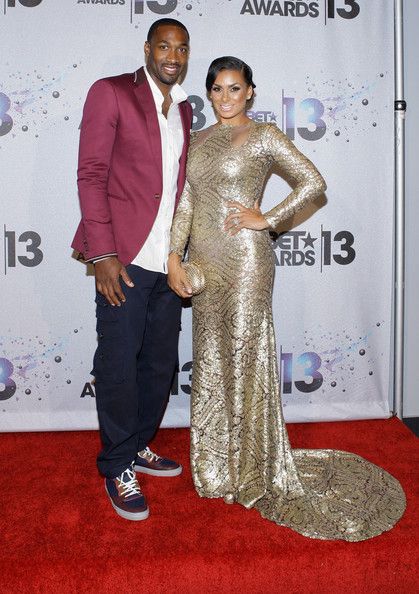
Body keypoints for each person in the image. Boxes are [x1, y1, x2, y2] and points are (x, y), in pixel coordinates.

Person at [168, 56, 406, 541]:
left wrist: (268, 219)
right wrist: (175, 255)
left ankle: (252, 467)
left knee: (244, 355)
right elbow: (187, 201)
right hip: (204, 262)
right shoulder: (197, 141)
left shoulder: (263, 136)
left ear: (250, 92)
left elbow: (313, 183)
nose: (226, 97)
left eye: (235, 88)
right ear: (208, 93)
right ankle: (217, 467)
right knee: (211, 359)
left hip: (246, 261)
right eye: (217, 89)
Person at [72, 18, 192, 521]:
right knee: (119, 366)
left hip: (167, 262)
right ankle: (117, 464)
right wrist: (103, 254)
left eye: (181, 48)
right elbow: (92, 174)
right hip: (122, 259)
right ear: (147, 49)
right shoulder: (112, 92)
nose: (172, 55)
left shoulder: (184, 107)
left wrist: (180, 253)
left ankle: (138, 443)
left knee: (159, 364)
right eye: (164, 45)